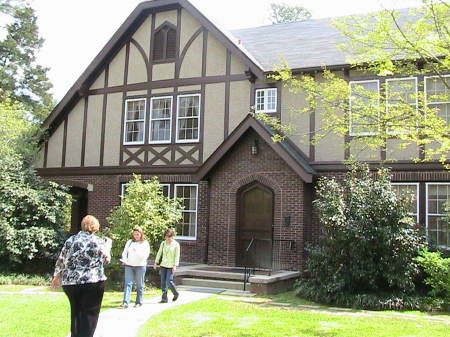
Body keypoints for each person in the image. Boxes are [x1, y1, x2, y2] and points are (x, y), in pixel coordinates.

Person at [51, 215, 111, 337]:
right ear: (96, 227)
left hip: (71, 282)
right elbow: (106, 260)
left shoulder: (71, 240)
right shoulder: (98, 241)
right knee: (89, 314)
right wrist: (108, 247)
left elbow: (61, 259)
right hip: (93, 280)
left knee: (76, 312)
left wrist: (56, 276)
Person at [120, 226, 150, 308]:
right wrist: (124, 260)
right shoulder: (130, 242)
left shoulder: (145, 243)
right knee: (128, 283)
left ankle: (139, 301)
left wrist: (136, 251)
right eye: (134, 234)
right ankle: (126, 302)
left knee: (139, 284)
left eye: (137, 234)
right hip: (129, 265)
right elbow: (125, 252)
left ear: (141, 234)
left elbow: (145, 255)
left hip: (140, 266)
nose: (136, 236)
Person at [153, 228, 180, 303]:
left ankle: (175, 293)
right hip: (163, 265)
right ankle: (164, 298)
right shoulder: (163, 243)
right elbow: (159, 253)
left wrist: (175, 265)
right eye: (166, 237)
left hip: (171, 265)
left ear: (172, 236)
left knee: (169, 281)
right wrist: (156, 262)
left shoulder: (176, 245)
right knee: (163, 282)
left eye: (169, 237)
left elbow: (177, 256)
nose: (168, 238)